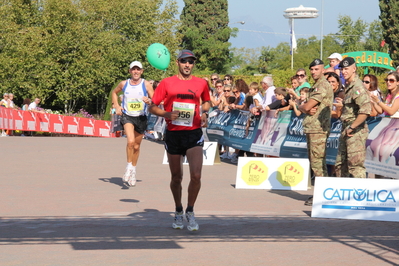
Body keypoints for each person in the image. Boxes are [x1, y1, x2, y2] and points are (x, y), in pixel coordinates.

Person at [149, 49, 211, 231]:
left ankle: (190, 211)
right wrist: (166, 113)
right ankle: (178, 210)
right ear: (177, 62)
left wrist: (205, 112)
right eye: (184, 61)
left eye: (191, 62)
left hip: (194, 133)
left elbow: (207, 101)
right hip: (174, 133)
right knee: (176, 177)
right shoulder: (167, 83)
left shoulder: (201, 83)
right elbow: (153, 107)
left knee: (196, 175)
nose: (187, 65)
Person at [112, 61, 154, 187]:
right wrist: (117, 106)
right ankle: (129, 167)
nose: (136, 72)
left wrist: (149, 101)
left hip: (141, 118)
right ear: (130, 71)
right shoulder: (124, 84)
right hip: (127, 116)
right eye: (133, 69)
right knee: (130, 142)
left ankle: (133, 170)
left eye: (138, 69)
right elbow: (114, 93)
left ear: (142, 71)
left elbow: (155, 100)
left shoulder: (146, 84)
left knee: (136, 146)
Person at [298, 59, 333, 206]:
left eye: (316, 69)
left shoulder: (322, 85)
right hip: (313, 128)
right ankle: (321, 193)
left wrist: (303, 107)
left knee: (318, 163)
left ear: (323, 70)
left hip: (318, 129)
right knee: (316, 162)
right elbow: (305, 107)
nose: (313, 72)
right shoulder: (316, 85)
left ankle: (322, 195)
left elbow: (308, 106)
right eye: (311, 69)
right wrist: (304, 107)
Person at [335, 57, 372, 179]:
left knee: (355, 166)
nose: (343, 72)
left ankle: (360, 196)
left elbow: (365, 111)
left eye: (346, 69)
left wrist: (352, 127)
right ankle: (342, 194)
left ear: (354, 69)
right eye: (342, 69)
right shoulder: (349, 86)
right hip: (347, 128)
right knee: (341, 165)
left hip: (355, 131)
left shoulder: (358, 87)